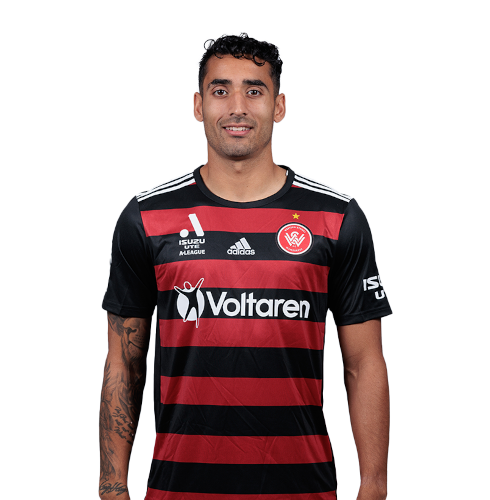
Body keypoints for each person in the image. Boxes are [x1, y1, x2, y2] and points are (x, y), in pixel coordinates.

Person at [99, 31, 392, 500]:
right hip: (178, 489)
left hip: (303, 488)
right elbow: (123, 362)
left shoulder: (336, 217)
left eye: (254, 90)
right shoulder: (146, 217)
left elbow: (363, 363)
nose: (237, 107)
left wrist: (374, 487)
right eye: (221, 90)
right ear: (198, 105)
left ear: (278, 106)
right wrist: (112, 487)